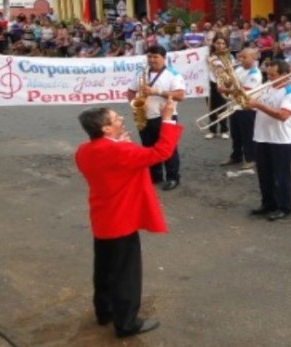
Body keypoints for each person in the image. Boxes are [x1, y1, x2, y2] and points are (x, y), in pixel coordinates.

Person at [74, 96, 182, 338]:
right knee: (126, 276)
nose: (121, 119)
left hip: (102, 218)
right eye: (115, 119)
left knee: (104, 269)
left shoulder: (84, 150)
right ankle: (126, 323)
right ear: (106, 129)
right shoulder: (120, 150)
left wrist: (118, 144)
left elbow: (111, 162)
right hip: (122, 221)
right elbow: (162, 151)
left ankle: (105, 312)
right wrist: (167, 119)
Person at [246, 60, 291, 221]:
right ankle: (268, 203)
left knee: (281, 175)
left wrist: (258, 104)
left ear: (284, 75)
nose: (269, 77)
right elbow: (252, 105)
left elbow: (283, 116)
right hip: (262, 136)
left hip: (281, 139)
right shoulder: (267, 87)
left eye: (273, 75)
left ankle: (284, 206)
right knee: (264, 174)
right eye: (267, 74)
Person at [127, 45, 186, 191]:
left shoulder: (173, 74)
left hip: (165, 115)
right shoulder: (141, 72)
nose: (152, 60)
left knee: (169, 148)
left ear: (164, 58)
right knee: (149, 147)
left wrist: (157, 91)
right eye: (149, 57)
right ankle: (155, 176)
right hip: (145, 116)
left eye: (155, 57)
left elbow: (180, 95)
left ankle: (173, 177)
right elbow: (130, 91)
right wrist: (135, 105)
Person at [220, 48, 263, 172]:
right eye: (240, 57)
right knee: (236, 133)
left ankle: (251, 159)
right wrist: (224, 84)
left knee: (248, 134)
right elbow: (231, 83)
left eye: (245, 57)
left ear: (253, 58)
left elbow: (244, 90)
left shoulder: (255, 73)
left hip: (247, 107)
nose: (241, 60)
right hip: (235, 105)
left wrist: (226, 90)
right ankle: (236, 155)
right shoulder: (239, 69)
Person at [205, 35, 235, 139]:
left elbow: (232, 71)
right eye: (218, 43)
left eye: (223, 43)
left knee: (223, 107)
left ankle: (224, 130)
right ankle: (212, 130)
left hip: (223, 84)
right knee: (211, 108)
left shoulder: (229, 56)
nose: (220, 45)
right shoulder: (208, 56)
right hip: (211, 84)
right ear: (214, 44)